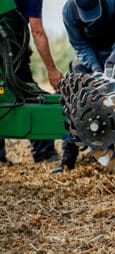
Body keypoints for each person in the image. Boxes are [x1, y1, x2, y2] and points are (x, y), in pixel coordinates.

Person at [52, 0, 115, 173]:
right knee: (73, 96)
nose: (91, 21)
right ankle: (67, 160)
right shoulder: (69, 11)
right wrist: (95, 67)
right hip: (91, 57)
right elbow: (80, 44)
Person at [0, 0, 59, 165]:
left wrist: (22, 44)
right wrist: (52, 69)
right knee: (31, 94)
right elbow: (37, 31)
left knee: (3, 93)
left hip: (9, 48)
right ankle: (44, 153)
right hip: (8, 54)